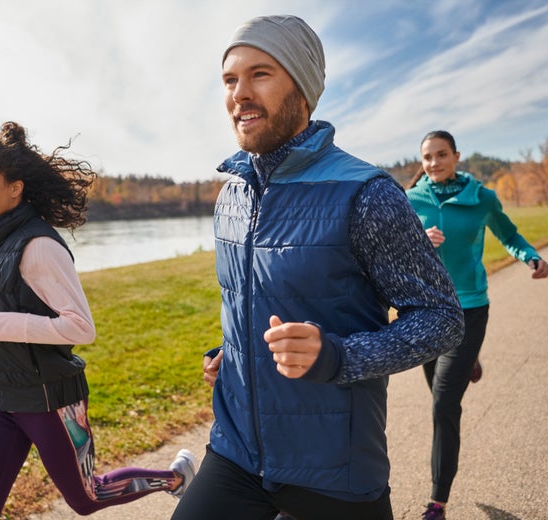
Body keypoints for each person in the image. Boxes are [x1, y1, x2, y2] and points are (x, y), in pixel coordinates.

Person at [171, 15, 465, 520]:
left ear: (303, 90)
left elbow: (442, 319)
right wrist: (233, 351)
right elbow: (257, 301)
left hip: (334, 470)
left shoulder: (367, 194)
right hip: (236, 452)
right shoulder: (233, 195)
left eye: (260, 74)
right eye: (230, 79)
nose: (239, 93)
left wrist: (338, 356)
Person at [0, 122, 196, 519]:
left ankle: (174, 478)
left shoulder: (40, 246)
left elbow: (81, 327)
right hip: (3, 398)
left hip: (51, 401)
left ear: (15, 187)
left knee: (86, 498)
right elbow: (19, 308)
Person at [406, 130, 548, 520]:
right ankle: (468, 361)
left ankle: (438, 502)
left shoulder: (481, 198)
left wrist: (530, 256)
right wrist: (419, 237)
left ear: (456, 156)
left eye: (441, 155)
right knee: (437, 390)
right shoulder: (410, 199)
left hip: (468, 308)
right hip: (424, 312)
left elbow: (509, 233)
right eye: (427, 157)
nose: (434, 163)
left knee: (443, 404)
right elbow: (394, 246)